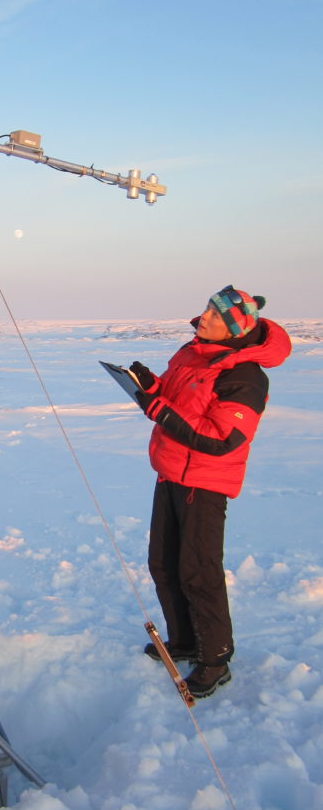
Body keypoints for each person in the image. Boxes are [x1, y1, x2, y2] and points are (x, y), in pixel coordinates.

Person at [130, 286, 291, 698]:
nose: (203, 317)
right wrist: (150, 387)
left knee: (198, 572)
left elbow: (223, 438)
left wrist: (159, 409)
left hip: (203, 483)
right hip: (170, 471)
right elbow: (173, 395)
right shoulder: (195, 352)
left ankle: (215, 660)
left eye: (215, 315)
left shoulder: (246, 377)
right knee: (162, 563)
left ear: (235, 329)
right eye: (206, 308)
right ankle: (184, 641)